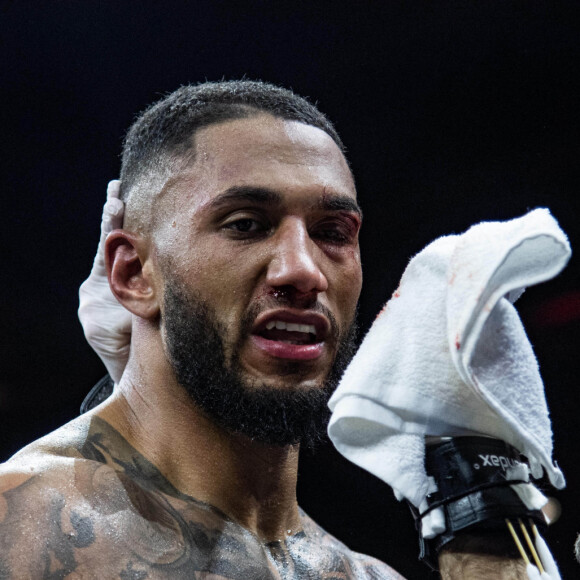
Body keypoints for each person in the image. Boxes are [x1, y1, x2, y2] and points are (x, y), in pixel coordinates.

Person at [0, 81, 531, 579]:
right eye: (246, 224)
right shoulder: (18, 528)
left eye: (331, 232)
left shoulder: (367, 574)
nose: (304, 270)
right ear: (134, 273)